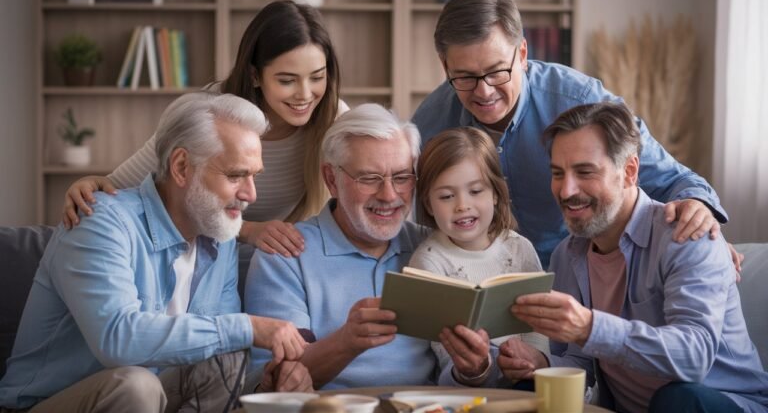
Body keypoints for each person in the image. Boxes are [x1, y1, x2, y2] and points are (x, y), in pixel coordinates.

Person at [0, 92, 309, 412]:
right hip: (44, 404)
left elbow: (215, 349)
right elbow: (118, 339)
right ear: (181, 167)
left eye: (253, 175)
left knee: (227, 356)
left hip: (153, 397)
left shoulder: (220, 235)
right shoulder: (99, 221)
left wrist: (264, 380)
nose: (251, 194)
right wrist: (249, 327)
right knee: (136, 385)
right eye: (235, 175)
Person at [411, 0, 736, 270]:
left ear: (522, 54)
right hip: (478, 278)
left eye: (497, 72)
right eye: (465, 77)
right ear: (445, 68)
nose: (483, 92)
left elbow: (672, 180)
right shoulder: (429, 124)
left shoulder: (583, 102)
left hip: (581, 277)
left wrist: (699, 210)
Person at [499, 102, 768, 412]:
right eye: (558, 173)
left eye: (585, 172)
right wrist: (541, 361)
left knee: (678, 399)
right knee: (531, 387)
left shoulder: (686, 236)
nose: (566, 189)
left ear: (628, 171)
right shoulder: (567, 255)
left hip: (719, 403)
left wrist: (589, 327)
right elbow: (580, 363)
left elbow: (693, 359)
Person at [61, 0, 348, 259]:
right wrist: (89, 186)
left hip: (278, 261)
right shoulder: (211, 112)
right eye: (287, 80)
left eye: (317, 78)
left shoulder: (334, 118)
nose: (305, 94)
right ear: (254, 75)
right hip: (204, 255)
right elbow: (124, 186)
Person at [245, 104, 466, 389]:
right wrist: (345, 342)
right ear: (331, 179)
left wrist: (472, 370)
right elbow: (273, 383)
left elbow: (453, 373)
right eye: (369, 178)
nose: (389, 195)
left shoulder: (434, 246)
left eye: (401, 177)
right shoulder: (284, 254)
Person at [408, 127, 547, 388]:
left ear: (495, 192)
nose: (462, 205)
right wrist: (479, 365)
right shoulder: (428, 262)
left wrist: (535, 358)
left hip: (526, 381)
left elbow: (538, 325)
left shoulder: (520, 249)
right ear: (428, 204)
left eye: (475, 191)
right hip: (465, 385)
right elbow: (442, 350)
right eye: (447, 196)